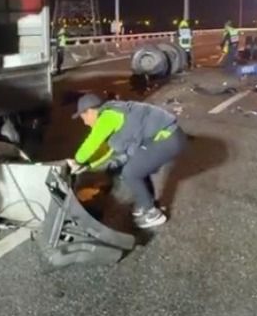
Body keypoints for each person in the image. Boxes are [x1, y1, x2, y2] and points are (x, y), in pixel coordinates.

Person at [69, 93, 185, 229]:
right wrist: (88, 165)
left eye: (83, 117)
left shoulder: (107, 117)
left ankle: (151, 213)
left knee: (131, 172)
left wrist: (78, 160)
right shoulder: (114, 111)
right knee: (136, 165)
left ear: (90, 111)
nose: (85, 122)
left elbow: (92, 142)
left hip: (168, 138)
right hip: (166, 138)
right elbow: (110, 151)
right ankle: (147, 203)